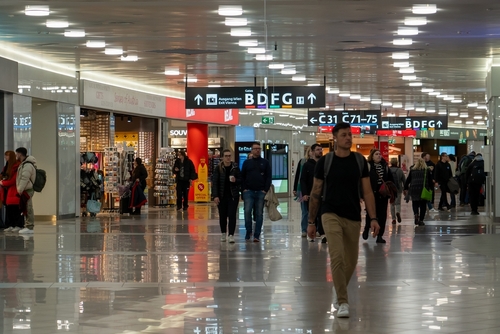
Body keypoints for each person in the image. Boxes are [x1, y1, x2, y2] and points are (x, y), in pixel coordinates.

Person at [307, 122, 379, 318]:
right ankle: (343, 301)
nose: (348, 138)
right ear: (335, 139)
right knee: (337, 256)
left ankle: (338, 290)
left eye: (350, 135)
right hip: (329, 213)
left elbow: (367, 191)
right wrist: (311, 221)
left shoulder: (359, 161)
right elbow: (315, 192)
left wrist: (373, 218)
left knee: (352, 260)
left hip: (353, 215)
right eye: (344, 135)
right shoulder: (325, 162)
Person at [241, 142, 271, 242]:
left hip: (260, 191)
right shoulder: (247, 163)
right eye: (255, 148)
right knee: (247, 211)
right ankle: (248, 230)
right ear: (252, 150)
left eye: (259, 148)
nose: (257, 150)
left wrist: (265, 190)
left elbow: (268, 177)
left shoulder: (265, 162)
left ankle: (257, 234)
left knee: (259, 213)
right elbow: (242, 176)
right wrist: (244, 188)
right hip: (248, 191)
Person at [362, 149, 394, 244]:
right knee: (370, 213)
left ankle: (380, 236)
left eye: (380, 154)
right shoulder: (368, 166)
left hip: (383, 195)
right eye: (376, 154)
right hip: (371, 194)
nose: (379, 155)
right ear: (372, 156)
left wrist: (391, 189)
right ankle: (366, 229)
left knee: (382, 215)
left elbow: (390, 179)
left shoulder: (385, 166)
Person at [212, 149, 241, 243]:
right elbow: (215, 182)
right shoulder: (218, 168)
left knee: (232, 215)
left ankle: (231, 234)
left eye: (229, 156)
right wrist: (215, 196)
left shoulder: (235, 168)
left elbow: (241, 180)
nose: (228, 157)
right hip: (222, 196)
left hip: (233, 196)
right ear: (222, 157)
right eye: (226, 156)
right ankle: (223, 233)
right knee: (222, 216)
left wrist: (235, 180)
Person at [300, 144, 326, 243]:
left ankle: (322, 233)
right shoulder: (307, 165)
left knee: (322, 214)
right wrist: (305, 193)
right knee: (312, 214)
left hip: (323, 194)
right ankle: (311, 233)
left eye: (321, 149)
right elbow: (303, 180)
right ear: (312, 151)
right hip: (311, 194)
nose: (320, 151)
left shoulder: (324, 164)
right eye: (318, 150)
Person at [404, 158, 433, 226]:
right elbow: (430, 181)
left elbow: (408, 180)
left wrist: (405, 188)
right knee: (423, 205)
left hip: (414, 189)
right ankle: (421, 220)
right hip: (423, 189)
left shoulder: (412, 170)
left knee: (415, 203)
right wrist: (431, 189)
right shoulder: (427, 170)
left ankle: (416, 214)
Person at [15, 147, 36, 234]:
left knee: (28, 207)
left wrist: (19, 189)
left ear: (20, 154)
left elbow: (24, 178)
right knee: (26, 207)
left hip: (27, 190)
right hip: (26, 189)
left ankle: (29, 226)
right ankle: (28, 225)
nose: (16, 155)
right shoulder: (24, 164)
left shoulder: (27, 165)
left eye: (16, 153)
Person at [0, 151, 23, 232]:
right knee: (9, 208)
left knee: (15, 208)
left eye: (7, 156)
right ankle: (11, 224)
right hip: (7, 190)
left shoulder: (17, 166)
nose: (5, 157)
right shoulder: (6, 167)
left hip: (14, 189)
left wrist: (3, 182)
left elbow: (14, 180)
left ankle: (17, 225)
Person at [293, 147, 312, 238]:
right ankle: (304, 229)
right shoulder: (302, 161)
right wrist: (295, 188)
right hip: (302, 189)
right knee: (305, 211)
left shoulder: (318, 162)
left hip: (313, 189)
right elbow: (298, 175)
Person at [389, 157, 406, 225]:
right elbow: (404, 180)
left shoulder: (388, 170)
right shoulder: (400, 170)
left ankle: (393, 219)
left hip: (390, 189)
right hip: (398, 189)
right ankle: (398, 212)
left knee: (392, 203)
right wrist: (405, 188)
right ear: (397, 163)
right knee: (398, 203)